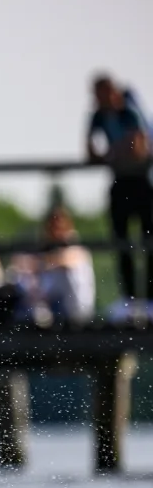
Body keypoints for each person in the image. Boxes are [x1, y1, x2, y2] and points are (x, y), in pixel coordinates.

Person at [87, 73, 152, 323]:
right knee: (121, 242)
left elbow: (138, 149)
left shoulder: (130, 112)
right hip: (120, 183)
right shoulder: (97, 116)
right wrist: (118, 152)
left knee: (148, 243)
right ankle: (130, 300)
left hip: (142, 183)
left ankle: (149, 301)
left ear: (112, 92)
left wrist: (112, 153)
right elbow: (91, 152)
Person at [10, 205, 96, 327]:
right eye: (53, 228)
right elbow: (22, 265)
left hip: (77, 316)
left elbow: (65, 260)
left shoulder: (77, 250)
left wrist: (37, 264)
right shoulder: (45, 254)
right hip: (54, 310)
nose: (57, 233)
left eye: (61, 228)